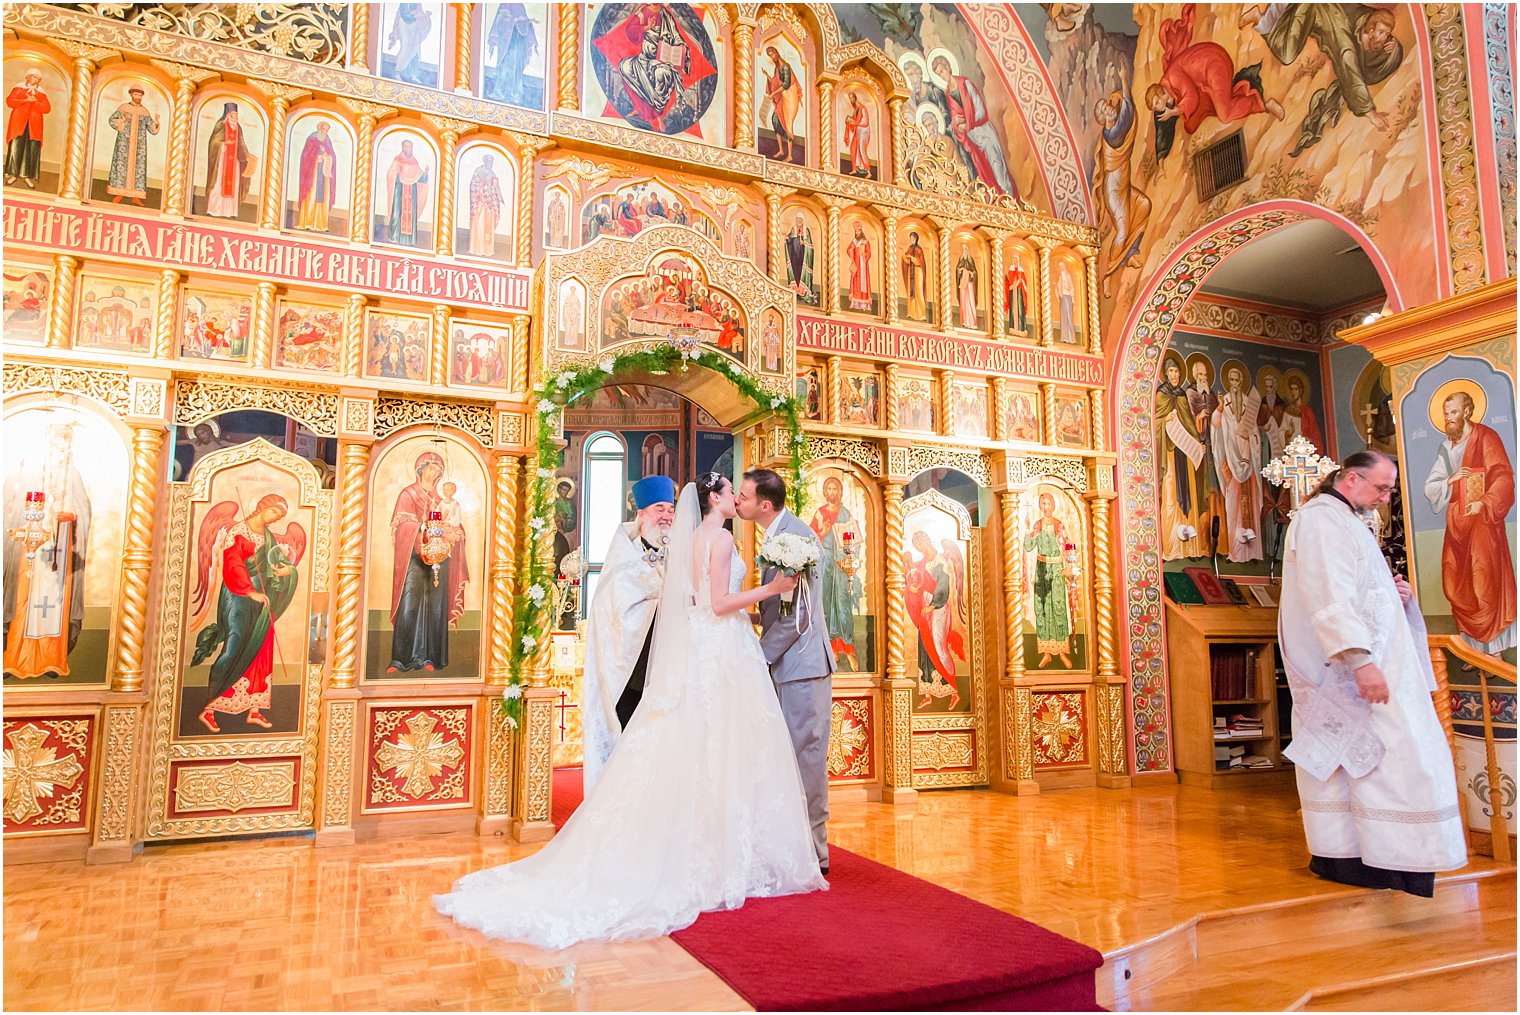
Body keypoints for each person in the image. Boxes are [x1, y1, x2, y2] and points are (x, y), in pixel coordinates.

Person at [436, 475, 823, 946]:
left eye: (741, 495)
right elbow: (717, 603)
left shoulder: (693, 539)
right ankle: (720, 851)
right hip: (720, 646)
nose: (737, 501)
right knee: (722, 749)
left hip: (704, 648)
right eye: (731, 494)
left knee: (703, 748)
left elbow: (694, 600)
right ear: (714, 500)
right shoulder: (718, 538)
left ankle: (699, 844)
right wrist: (770, 591)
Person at [1279, 450, 1466, 897]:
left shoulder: (1351, 522)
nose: (1385, 498)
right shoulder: (1321, 520)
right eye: (1381, 488)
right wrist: (1360, 661)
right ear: (1350, 479)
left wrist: (1395, 592)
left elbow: (1358, 589)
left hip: (1379, 663)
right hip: (1351, 670)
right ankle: (1355, 859)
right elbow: (1328, 596)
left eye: (1389, 490)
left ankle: (1389, 859)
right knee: (1383, 757)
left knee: (1383, 759)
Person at [738, 468, 835, 874]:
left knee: (805, 758)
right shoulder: (777, 535)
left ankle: (815, 854)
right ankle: (785, 847)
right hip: (785, 664)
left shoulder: (796, 538)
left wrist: (757, 656)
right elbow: (780, 608)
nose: (738, 502)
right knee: (780, 758)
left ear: (764, 504)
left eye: (743, 496)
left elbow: (800, 618)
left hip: (802, 668)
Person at [580, 475, 674, 792]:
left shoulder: (677, 551)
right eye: (660, 508)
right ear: (642, 513)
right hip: (629, 672)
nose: (666, 516)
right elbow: (616, 608)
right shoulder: (624, 555)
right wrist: (660, 600)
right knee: (628, 737)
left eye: (671, 509)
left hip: (665, 668)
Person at [190, 495, 304, 733]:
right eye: (274, 513)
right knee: (235, 645)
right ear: (262, 507)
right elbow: (233, 565)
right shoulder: (238, 531)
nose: (275, 519)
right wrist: (249, 592)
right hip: (238, 595)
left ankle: (254, 708)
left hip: (263, 598)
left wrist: (286, 572)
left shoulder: (269, 538)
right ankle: (210, 708)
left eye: (280, 517)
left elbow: (281, 564)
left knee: (262, 649)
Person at [1422, 390, 1517, 654]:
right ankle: (1473, 650)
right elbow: (1431, 486)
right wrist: (1451, 479)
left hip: (1483, 523)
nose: (1448, 418)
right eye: (1445, 413)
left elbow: (1503, 475)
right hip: (1457, 523)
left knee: (1483, 579)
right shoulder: (1446, 447)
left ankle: (1493, 649)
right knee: (1455, 584)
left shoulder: (1486, 437)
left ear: (1466, 411)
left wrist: (1485, 502)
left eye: (1453, 412)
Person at [3, 423, 91, 679]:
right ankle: (14, 657)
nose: (61, 452)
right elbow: (8, 505)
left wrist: (70, 515)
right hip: (27, 549)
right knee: (22, 599)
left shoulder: (71, 475)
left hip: (58, 548)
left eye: (66, 446)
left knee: (54, 603)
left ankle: (52, 659)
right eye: (56, 445)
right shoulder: (24, 472)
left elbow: (83, 511)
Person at [386, 451, 463, 671]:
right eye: (431, 468)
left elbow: (454, 524)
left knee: (436, 607)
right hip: (414, 558)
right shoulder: (408, 494)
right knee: (409, 603)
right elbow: (401, 527)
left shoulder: (443, 499)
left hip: (439, 558)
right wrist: (422, 528)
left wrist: (455, 533)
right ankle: (401, 659)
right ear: (420, 469)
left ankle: (432, 658)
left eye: (438, 470)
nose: (434, 473)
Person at [1155, 356, 1208, 559]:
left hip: (1184, 454)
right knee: (1170, 495)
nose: (1175, 375)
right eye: (1171, 372)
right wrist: (1163, 420)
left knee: (1189, 496)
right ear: (1165, 374)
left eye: (1177, 372)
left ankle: (1191, 548)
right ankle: (1171, 547)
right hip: (1168, 453)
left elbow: (1189, 424)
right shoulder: (1161, 395)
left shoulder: (1183, 396)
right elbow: (1154, 420)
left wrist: (1197, 443)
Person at [808, 475, 862, 672]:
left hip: (841, 564)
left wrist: (847, 554)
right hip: (825, 563)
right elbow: (810, 541)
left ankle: (849, 650)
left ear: (840, 492)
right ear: (824, 492)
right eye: (828, 489)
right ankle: (830, 648)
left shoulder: (846, 514)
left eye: (834, 489)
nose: (831, 492)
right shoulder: (820, 514)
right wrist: (822, 533)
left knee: (842, 604)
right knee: (825, 603)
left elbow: (851, 540)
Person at [1211, 362, 1263, 561]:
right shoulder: (1225, 404)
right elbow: (1216, 425)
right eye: (1231, 380)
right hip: (1231, 459)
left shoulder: (1250, 403)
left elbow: (1256, 432)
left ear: (1242, 382)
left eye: (1237, 380)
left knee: (1250, 501)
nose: (1234, 384)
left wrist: (1253, 439)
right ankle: (1236, 550)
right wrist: (1219, 409)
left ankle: (1253, 552)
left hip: (1248, 460)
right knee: (1233, 502)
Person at [1025, 492, 1075, 668]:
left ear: (1054, 505)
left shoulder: (1059, 526)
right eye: (1043, 503)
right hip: (1041, 569)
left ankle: (1062, 652)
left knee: (1058, 607)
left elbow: (1069, 547)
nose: (1046, 507)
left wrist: (1070, 568)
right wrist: (1027, 529)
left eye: (1049, 503)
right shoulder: (1037, 525)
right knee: (1043, 609)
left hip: (1057, 569)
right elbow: (1029, 547)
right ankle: (1046, 652)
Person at [106, 84, 160, 205]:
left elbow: (151, 128)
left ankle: (136, 196)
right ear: (131, 94)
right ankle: (119, 193)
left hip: (139, 145)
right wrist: (122, 122)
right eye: (136, 94)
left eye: (140, 95)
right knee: (121, 165)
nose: (138, 97)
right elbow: (112, 120)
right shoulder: (124, 108)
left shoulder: (144, 111)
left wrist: (156, 122)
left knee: (138, 168)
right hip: (124, 143)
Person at [202, 102, 251, 218]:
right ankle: (214, 209)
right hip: (221, 160)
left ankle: (230, 211)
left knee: (234, 184)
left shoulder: (238, 127)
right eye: (233, 114)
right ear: (227, 114)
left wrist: (246, 155)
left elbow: (241, 143)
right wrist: (223, 145)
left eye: (236, 114)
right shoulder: (220, 125)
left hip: (234, 162)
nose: (235, 117)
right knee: (218, 183)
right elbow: (213, 142)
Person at [5, 68, 50, 188]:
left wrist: (35, 102)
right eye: (34, 77)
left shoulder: (41, 92)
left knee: (31, 149)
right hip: (18, 123)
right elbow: (10, 101)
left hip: (34, 125)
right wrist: (25, 100)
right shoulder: (19, 87)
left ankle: (27, 176)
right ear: (28, 77)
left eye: (38, 78)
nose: (36, 80)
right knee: (16, 146)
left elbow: (47, 108)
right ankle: (13, 174)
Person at [383, 139, 429, 247]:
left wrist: (426, 173)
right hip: (400, 190)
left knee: (410, 215)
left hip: (411, 192)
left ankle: (408, 241)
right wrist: (395, 173)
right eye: (406, 146)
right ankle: (394, 237)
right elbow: (390, 174)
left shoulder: (415, 162)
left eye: (410, 147)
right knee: (397, 214)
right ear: (402, 147)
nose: (408, 149)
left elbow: (420, 177)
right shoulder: (398, 159)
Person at [294, 120, 338, 232]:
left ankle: (321, 224)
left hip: (323, 173)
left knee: (322, 196)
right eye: (323, 130)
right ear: (319, 128)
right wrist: (315, 158)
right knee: (311, 195)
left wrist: (326, 154)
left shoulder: (327, 140)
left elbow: (332, 155)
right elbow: (306, 155)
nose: (325, 132)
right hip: (312, 172)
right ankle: (307, 222)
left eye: (327, 131)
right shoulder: (312, 138)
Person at [762, 45, 801, 162]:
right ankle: (781, 150)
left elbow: (785, 85)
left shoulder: (785, 67)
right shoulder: (777, 68)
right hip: (783, 98)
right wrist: (767, 76)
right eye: (769, 55)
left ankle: (790, 155)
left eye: (772, 54)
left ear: (777, 53)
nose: (771, 57)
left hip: (790, 98)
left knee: (788, 125)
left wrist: (773, 94)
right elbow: (775, 82)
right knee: (775, 120)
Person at [466, 153, 504, 257]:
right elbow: (474, 186)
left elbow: (495, 187)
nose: (490, 164)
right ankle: (476, 249)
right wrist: (481, 192)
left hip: (489, 205)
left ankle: (487, 250)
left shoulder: (492, 173)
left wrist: (497, 195)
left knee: (488, 225)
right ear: (485, 161)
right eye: (488, 161)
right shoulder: (478, 171)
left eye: (491, 162)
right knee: (479, 224)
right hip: (480, 204)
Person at [785, 212, 815, 301]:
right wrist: (788, 239)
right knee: (795, 272)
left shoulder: (806, 230)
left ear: (803, 220)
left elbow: (809, 244)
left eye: (801, 219)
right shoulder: (793, 229)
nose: (799, 221)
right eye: (798, 219)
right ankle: (795, 289)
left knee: (802, 272)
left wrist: (804, 243)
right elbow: (790, 241)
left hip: (803, 256)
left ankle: (803, 291)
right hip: (794, 254)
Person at [842, 90, 871, 176]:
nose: (851, 100)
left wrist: (854, 123)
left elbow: (865, 122)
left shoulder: (863, 108)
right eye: (849, 99)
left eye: (851, 98)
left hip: (864, 132)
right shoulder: (855, 110)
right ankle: (854, 169)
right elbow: (854, 120)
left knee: (861, 149)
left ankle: (868, 170)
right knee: (852, 148)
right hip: (858, 131)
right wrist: (849, 121)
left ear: (855, 98)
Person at [901, 231, 928, 321]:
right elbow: (907, 261)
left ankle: (922, 314)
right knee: (911, 291)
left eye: (912, 238)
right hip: (911, 272)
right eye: (910, 238)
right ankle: (911, 313)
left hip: (918, 272)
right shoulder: (910, 248)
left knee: (919, 292)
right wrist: (902, 253)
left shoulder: (919, 249)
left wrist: (911, 258)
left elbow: (920, 263)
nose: (910, 240)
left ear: (916, 239)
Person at [846, 221, 872, 312]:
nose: (857, 233)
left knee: (863, 284)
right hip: (857, 264)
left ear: (861, 231)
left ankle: (865, 304)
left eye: (859, 231)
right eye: (856, 232)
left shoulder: (865, 241)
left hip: (863, 265)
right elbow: (848, 249)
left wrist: (863, 254)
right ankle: (855, 302)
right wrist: (852, 250)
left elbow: (869, 253)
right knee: (856, 282)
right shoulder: (854, 241)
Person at [955, 241, 978, 329]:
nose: (964, 251)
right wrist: (960, 270)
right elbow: (957, 269)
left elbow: (975, 272)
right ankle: (964, 321)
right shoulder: (961, 259)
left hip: (970, 284)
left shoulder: (970, 259)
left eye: (965, 249)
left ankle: (972, 322)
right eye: (963, 249)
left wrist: (971, 273)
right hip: (962, 284)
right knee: (963, 302)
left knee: (971, 301)